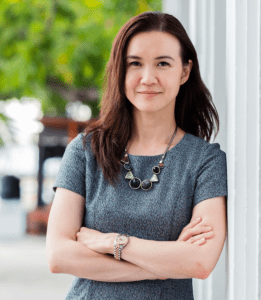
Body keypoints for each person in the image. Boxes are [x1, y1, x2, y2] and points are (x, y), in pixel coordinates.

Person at [46, 11, 228, 300]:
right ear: (121, 70)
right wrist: (164, 265)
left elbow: (199, 262)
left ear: (184, 71)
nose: (148, 77)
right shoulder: (84, 151)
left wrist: (110, 242)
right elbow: (59, 256)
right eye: (135, 64)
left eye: (163, 63)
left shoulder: (205, 160)